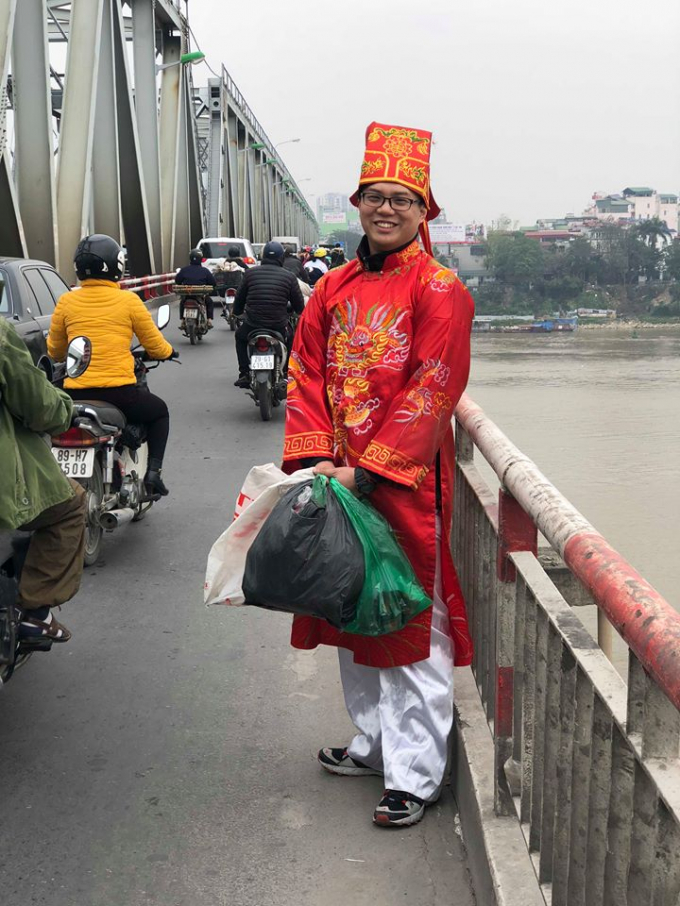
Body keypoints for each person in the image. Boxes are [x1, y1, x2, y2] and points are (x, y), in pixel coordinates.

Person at [282, 121, 474, 828]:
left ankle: (415, 776)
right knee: (346, 607)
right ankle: (373, 744)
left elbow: (433, 386)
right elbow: (304, 372)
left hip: (403, 484)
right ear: (358, 205)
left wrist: (369, 471)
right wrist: (313, 462)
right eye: (374, 197)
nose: (386, 209)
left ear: (425, 210)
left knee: (409, 623)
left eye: (402, 198)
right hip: (333, 478)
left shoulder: (441, 289)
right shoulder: (330, 288)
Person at [48, 234, 177, 498]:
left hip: (75, 392)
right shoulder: (128, 301)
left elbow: (56, 351)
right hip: (118, 393)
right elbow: (155, 345)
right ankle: (153, 475)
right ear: (116, 266)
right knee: (159, 412)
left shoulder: (66, 301)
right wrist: (168, 352)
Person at [0, 316, 86, 643]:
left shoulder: (67, 303)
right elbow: (38, 406)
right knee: (71, 504)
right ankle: (34, 611)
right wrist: (63, 411)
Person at [232, 241, 305, 388]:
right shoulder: (289, 277)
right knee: (291, 337)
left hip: (253, 323)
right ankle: (286, 372)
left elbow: (239, 299)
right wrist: (297, 312)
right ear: (281, 258)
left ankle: (245, 373)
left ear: (263, 256)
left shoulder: (249, 273)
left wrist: (238, 313)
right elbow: (299, 306)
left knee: (240, 337)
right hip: (278, 324)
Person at [175, 248, 217, 329]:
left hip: (188, 295)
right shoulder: (205, 271)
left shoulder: (184, 270)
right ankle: (209, 320)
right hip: (200, 296)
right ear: (201, 259)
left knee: (182, 303)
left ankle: (183, 321)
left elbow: (177, 280)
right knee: (210, 302)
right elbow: (213, 283)